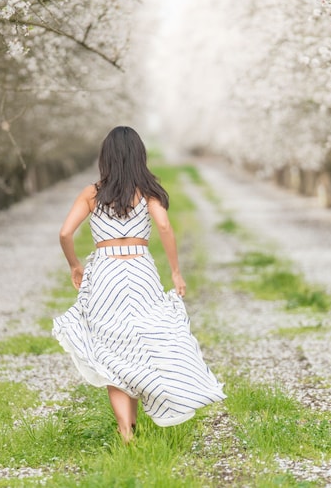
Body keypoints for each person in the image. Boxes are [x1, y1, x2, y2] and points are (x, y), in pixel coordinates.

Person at [52, 126, 225, 442]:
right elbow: (163, 225)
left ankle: (125, 431)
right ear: (139, 156)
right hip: (140, 272)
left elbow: (65, 233)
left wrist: (75, 265)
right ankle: (170, 391)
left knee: (111, 349)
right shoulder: (148, 191)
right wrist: (175, 272)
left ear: (106, 157)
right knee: (152, 337)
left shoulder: (92, 193)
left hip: (105, 274)